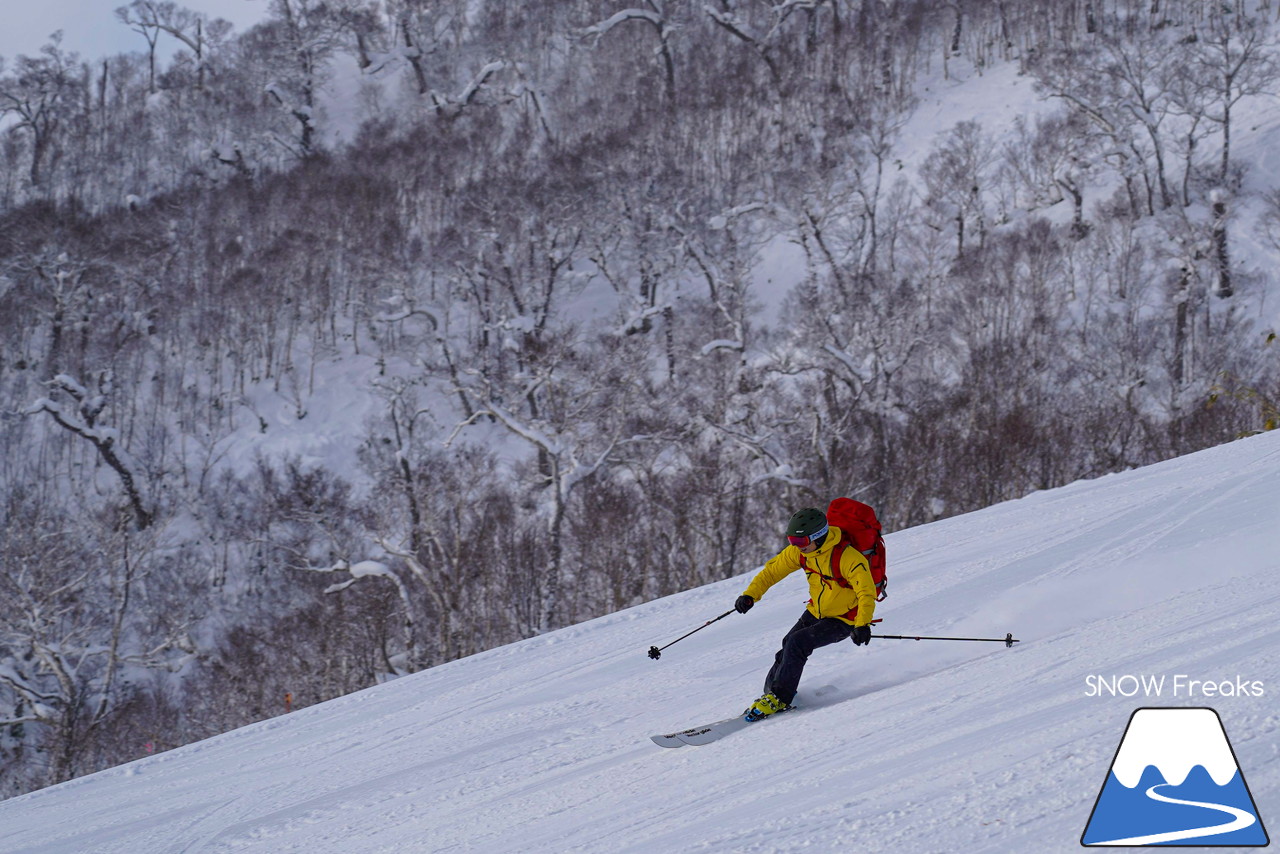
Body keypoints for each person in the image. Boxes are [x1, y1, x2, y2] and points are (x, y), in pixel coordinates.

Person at [733, 506, 878, 721]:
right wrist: (750, 595)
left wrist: (862, 624)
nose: (795, 546)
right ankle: (770, 696)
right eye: (792, 541)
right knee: (787, 645)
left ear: (818, 537)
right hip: (816, 611)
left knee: (797, 643)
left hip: (845, 618)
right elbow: (772, 572)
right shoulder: (801, 552)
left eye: (800, 542)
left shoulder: (847, 557)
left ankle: (780, 699)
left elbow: (866, 592)